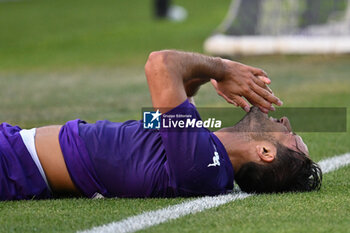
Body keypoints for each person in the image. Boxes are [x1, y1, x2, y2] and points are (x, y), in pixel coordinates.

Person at [0, 50, 322, 201]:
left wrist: (222, 68)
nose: (285, 121)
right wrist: (210, 77)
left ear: (265, 151)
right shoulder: (207, 156)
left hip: (14, 162)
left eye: (290, 135)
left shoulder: (203, 168)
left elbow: (160, 64)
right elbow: (174, 101)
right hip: (15, 149)